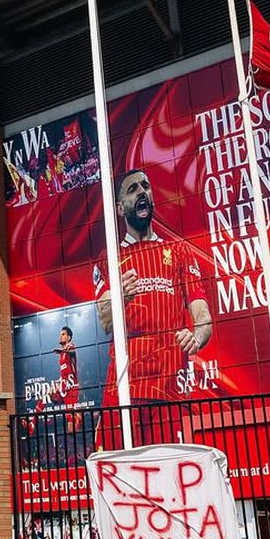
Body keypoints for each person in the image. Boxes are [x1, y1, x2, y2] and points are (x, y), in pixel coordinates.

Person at [94, 167, 214, 403]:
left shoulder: (179, 251)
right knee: (118, 442)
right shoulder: (108, 258)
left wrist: (196, 338)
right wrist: (121, 297)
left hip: (170, 387)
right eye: (133, 189)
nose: (142, 191)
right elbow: (105, 322)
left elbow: (203, 316)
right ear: (120, 208)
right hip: (125, 389)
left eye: (145, 187)